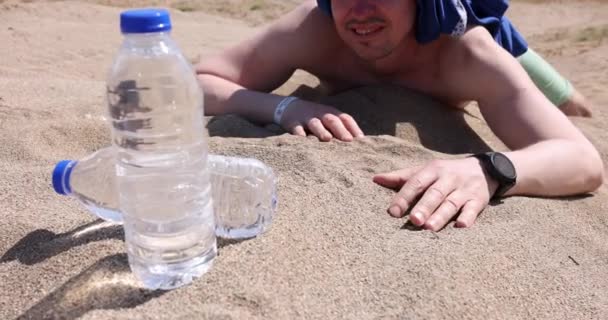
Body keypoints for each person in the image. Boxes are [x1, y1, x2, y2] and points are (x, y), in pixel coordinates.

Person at [196, 0, 604, 231]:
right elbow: (199, 81)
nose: (359, 10)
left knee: (571, 105)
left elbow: (583, 160)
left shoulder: (468, 54)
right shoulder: (315, 28)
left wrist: (489, 168)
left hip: (485, 27)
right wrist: (284, 106)